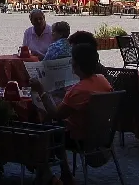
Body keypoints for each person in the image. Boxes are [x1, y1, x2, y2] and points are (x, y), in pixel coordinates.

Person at [29, 43, 114, 184]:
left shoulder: (79, 90)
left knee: (41, 133)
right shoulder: (102, 80)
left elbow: (56, 113)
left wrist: (40, 90)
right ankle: (65, 173)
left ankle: (47, 175)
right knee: (54, 129)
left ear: (76, 63)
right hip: (100, 135)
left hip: (80, 137)